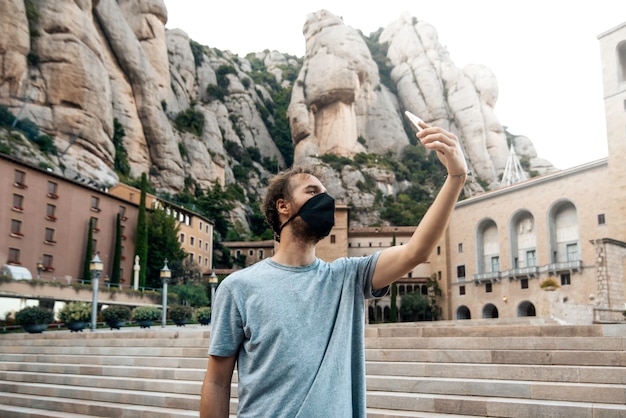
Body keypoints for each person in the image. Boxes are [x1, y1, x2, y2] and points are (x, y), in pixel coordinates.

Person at [200, 121, 468, 418]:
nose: (325, 201)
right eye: (313, 191)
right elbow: (217, 381)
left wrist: (456, 177)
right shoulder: (238, 287)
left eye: (326, 194)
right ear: (283, 206)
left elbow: (416, 252)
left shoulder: (347, 277)